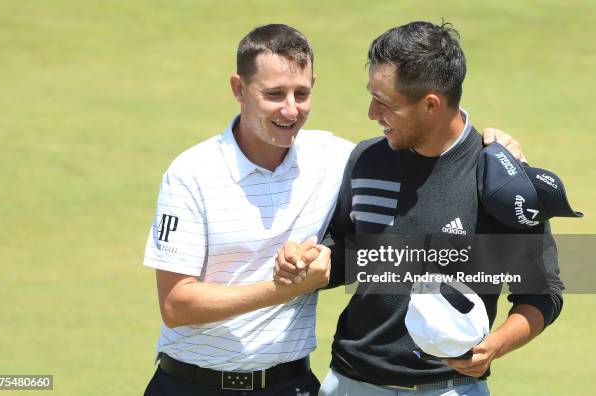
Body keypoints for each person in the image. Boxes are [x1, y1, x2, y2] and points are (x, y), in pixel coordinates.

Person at [142, 23, 525, 396]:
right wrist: (291, 282)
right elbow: (176, 305)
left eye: (301, 93)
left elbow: (429, 135)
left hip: (292, 384)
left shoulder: (334, 158)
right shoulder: (192, 172)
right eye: (274, 94)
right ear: (239, 88)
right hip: (190, 384)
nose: (290, 110)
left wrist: (493, 147)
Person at [275, 22, 563, 395]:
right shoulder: (367, 159)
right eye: (372, 95)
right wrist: (311, 259)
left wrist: (494, 346)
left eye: (385, 102)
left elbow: (543, 291)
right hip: (351, 381)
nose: (371, 112)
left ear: (431, 104)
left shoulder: (501, 181)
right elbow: (347, 252)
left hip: (450, 387)